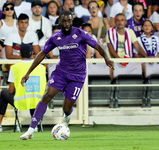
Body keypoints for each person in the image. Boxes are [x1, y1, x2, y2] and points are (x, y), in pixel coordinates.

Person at [19, 10, 114, 140]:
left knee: (66, 108)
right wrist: (28, 72)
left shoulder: (81, 34)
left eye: (69, 20)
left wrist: (106, 59)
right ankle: (30, 130)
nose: (67, 23)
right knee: (47, 96)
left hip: (77, 76)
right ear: (59, 22)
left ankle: (67, 117)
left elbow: (97, 47)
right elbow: (42, 54)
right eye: (64, 21)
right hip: (61, 72)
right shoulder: (55, 37)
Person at [0, 43, 47, 132]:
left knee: (4, 93)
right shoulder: (41, 67)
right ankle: (34, 125)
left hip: (21, 101)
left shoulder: (15, 67)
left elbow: (11, 90)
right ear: (32, 54)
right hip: (38, 101)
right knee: (34, 95)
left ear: (20, 54)